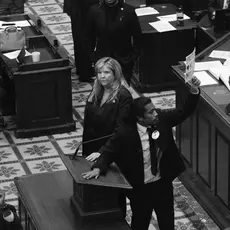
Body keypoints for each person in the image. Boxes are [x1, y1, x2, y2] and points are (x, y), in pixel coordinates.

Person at [82, 76, 201, 230]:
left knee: (167, 222)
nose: (156, 114)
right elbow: (110, 150)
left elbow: (184, 111)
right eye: (151, 113)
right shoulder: (125, 133)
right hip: (140, 188)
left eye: (155, 110)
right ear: (140, 118)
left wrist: (193, 90)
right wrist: (98, 167)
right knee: (140, 222)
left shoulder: (162, 119)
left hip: (162, 184)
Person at [84, 0, 142, 85]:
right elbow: (89, 38)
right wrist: (93, 57)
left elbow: (138, 37)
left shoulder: (128, 11)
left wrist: (132, 58)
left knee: (122, 93)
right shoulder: (94, 11)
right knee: (105, 93)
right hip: (102, 60)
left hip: (124, 61)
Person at [63, 0, 99, 82]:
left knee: (85, 37)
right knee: (84, 38)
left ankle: (84, 69)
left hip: (82, 7)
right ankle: (84, 72)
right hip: (82, 8)